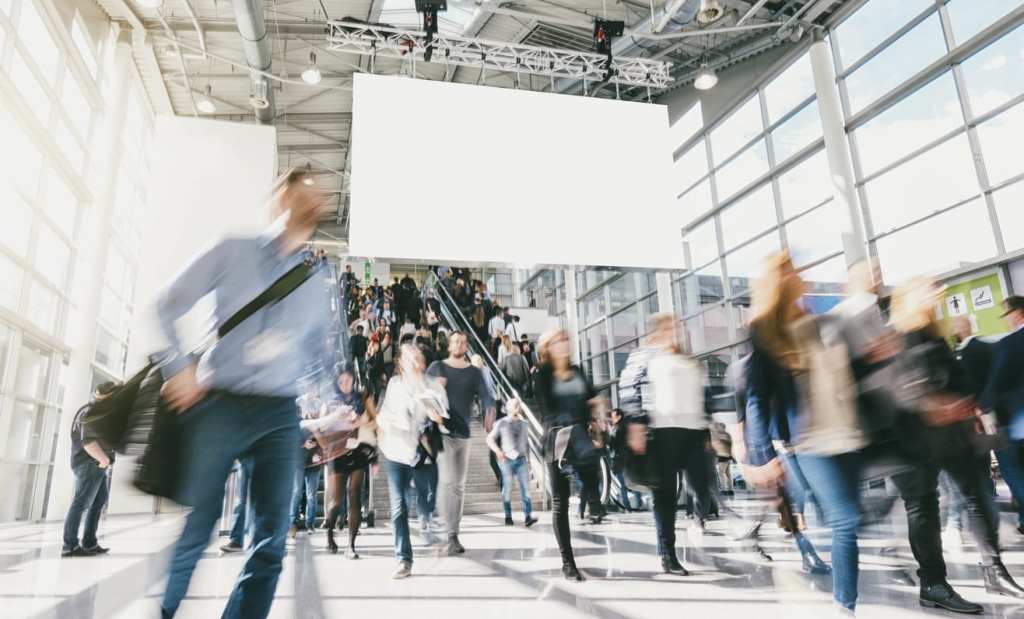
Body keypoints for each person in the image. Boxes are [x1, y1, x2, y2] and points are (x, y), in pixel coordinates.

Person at [155, 168, 334, 619]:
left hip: (280, 411)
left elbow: (318, 353)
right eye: (305, 192)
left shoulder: (314, 282)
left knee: (272, 537)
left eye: (321, 197)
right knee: (199, 524)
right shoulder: (232, 249)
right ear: (281, 197)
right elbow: (168, 304)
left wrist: (333, 399)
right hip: (222, 401)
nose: (316, 201)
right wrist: (177, 367)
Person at [742, 251, 866, 613]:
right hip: (809, 439)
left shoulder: (819, 323)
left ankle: (845, 602)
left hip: (847, 431)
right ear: (778, 280)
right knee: (845, 519)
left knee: (850, 519)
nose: (800, 274)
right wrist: (763, 456)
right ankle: (845, 607)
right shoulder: (766, 331)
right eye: (791, 270)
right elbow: (756, 398)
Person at [888, 279, 1024, 606]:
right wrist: (931, 405)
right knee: (923, 506)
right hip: (912, 439)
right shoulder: (896, 337)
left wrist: (969, 404)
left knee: (977, 497)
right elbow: (895, 387)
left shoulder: (933, 335)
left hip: (950, 433)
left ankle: (994, 571)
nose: (936, 297)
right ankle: (933, 583)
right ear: (909, 299)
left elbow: (958, 376)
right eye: (928, 292)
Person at [618, 313, 717, 575]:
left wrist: (707, 427)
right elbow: (629, 388)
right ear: (657, 331)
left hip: (694, 431)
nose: (674, 332)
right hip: (662, 433)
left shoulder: (689, 360)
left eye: (677, 327)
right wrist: (636, 424)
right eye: (668, 328)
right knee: (665, 496)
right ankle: (668, 554)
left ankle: (698, 520)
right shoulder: (644, 356)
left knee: (703, 485)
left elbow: (704, 395)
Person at [534, 329, 603, 582]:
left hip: (581, 440)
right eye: (559, 341)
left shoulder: (578, 371)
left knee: (591, 465)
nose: (565, 344)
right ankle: (568, 562)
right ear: (548, 347)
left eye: (566, 339)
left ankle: (593, 501)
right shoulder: (543, 375)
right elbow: (548, 409)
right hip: (557, 442)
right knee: (560, 502)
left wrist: (597, 410)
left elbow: (592, 398)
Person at [378, 344, 448, 579]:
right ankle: (403, 559)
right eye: (412, 359)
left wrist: (437, 416)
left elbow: (444, 414)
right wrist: (392, 422)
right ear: (401, 362)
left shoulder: (432, 385)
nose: (417, 363)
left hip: (421, 453)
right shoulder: (394, 384)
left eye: (419, 358)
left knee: (426, 498)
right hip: (396, 452)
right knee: (399, 507)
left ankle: (429, 524)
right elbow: (385, 414)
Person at [428, 332, 495, 555]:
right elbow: (423, 392)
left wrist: (489, 409)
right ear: (449, 345)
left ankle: (453, 534)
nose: (460, 344)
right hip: (444, 433)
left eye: (464, 342)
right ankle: (445, 531)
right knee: (448, 482)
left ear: (467, 347)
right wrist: (435, 393)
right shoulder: (438, 367)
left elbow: (486, 395)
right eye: (456, 341)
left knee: (458, 486)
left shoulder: (474, 372)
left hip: (464, 434)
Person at [322, 364, 377, 559]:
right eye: (341, 381)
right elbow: (321, 427)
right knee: (336, 501)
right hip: (337, 452)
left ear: (354, 379)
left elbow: (376, 422)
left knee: (354, 495)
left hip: (357, 450)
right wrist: (336, 418)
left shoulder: (363, 398)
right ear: (336, 382)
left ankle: (351, 545)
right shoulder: (330, 400)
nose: (345, 384)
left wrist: (361, 421)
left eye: (348, 380)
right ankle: (330, 534)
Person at [981, 295, 1024, 536]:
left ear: (1016, 313)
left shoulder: (1010, 343)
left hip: (1016, 421)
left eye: (1006, 315)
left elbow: (997, 381)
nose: (1006, 320)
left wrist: (983, 406)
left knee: (1011, 468)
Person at [62, 381, 120, 558]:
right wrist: (103, 460)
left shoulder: (93, 410)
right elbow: (87, 442)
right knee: (81, 502)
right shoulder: (91, 412)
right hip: (89, 463)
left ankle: (89, 543)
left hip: (95, 464)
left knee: (98, 501)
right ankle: (70, 546)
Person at [486, 399, 538, 527]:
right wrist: (497, 451)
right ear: (508, 408)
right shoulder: (501, 422)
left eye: (518, 405)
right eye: (514, 405)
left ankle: (528, 516)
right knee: (507, 489)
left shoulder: (524, 423)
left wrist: (529, 460)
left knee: (526, 489)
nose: (517, 407)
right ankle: (508, 516)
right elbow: (489, 439)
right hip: (507, 460)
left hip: (521, 460)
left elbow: (526, 443)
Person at [290, 410, 323, 535]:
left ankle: (310, 524)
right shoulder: (296, 422)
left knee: (311, 496)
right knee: (296, 493)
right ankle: (292, 523)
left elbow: (326, 442)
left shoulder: (319, 424)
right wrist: (303, 444)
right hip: (298, 462)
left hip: (314, 465)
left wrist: (319, 454)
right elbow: (289, 440)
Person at [607, 408, 643, 511]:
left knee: (622, 484)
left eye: (613, 416)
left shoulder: (617, 428)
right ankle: (638, 503)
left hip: (619, 459)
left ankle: (627, 506)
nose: (612, 418)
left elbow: (612, 443)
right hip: (628, 458)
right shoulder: (627, 426)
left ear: (619, 417)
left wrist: (609, 432)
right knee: (632, 481)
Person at [219, 458, 254, 554]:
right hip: (244, 460)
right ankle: (237, 541)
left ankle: (256, 540)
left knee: (258, 501)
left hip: (264, 458)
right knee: (241, 501)